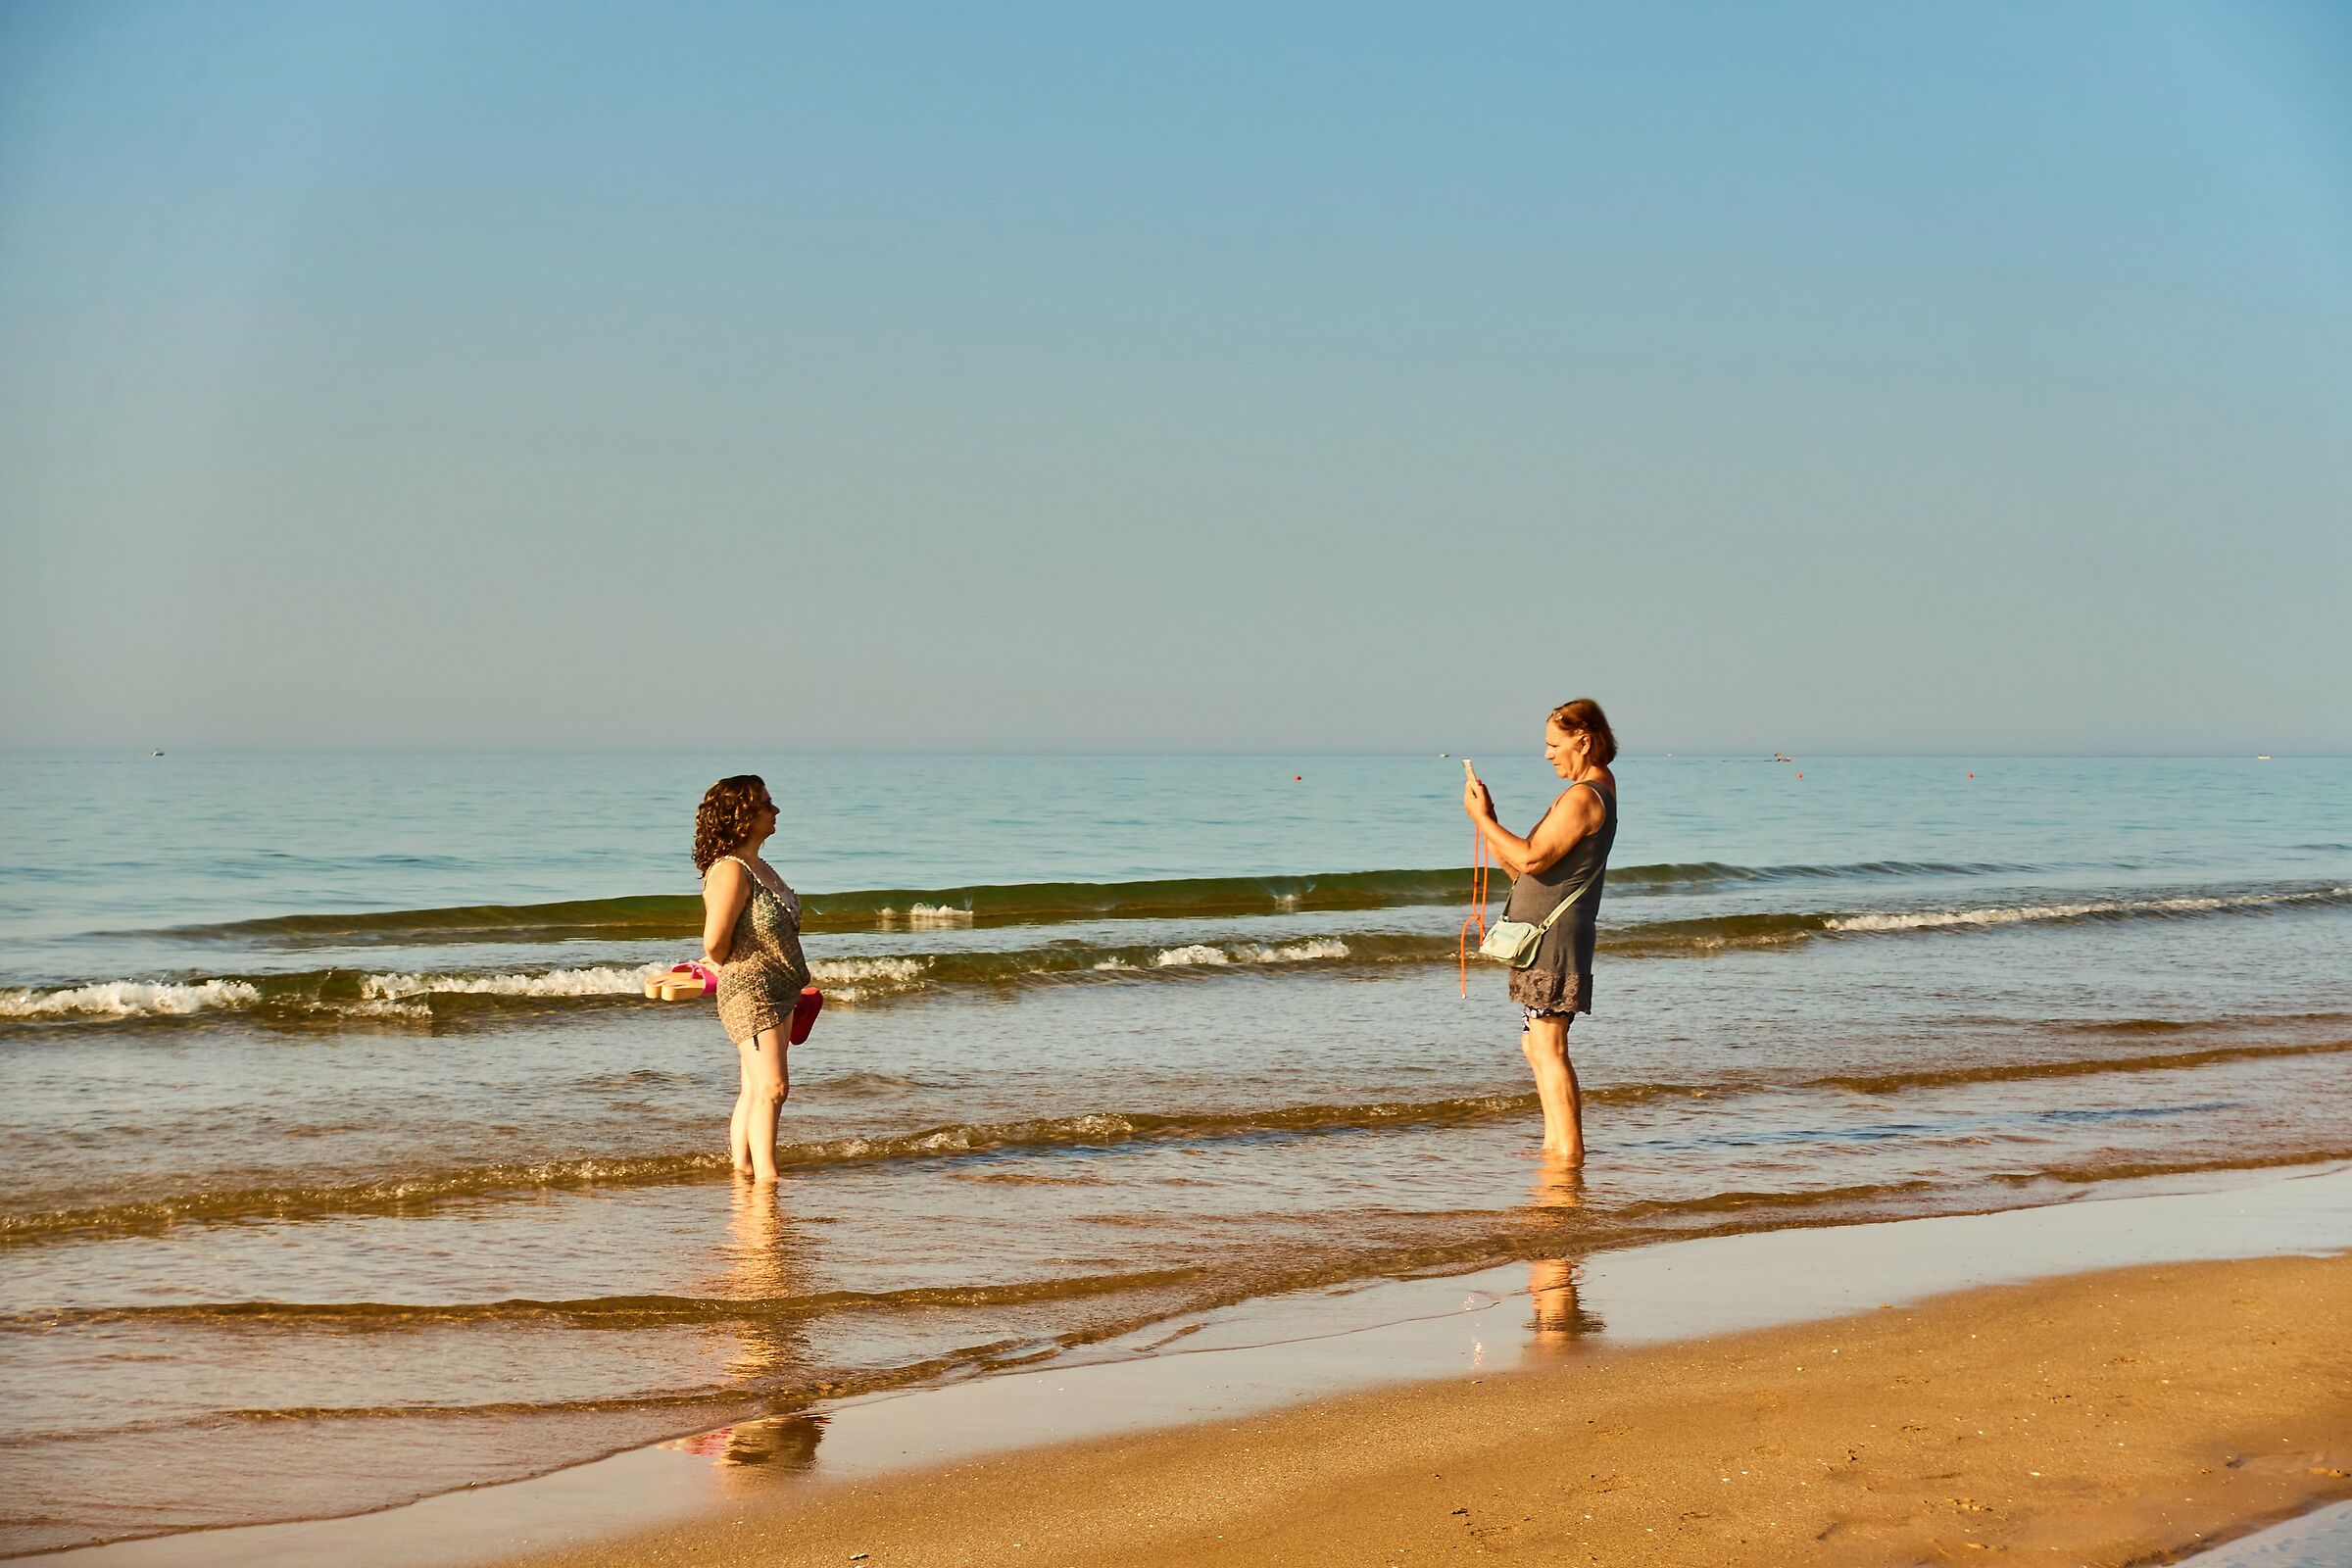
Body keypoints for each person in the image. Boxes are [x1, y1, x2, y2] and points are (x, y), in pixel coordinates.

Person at [1462, 699, 1620, 1166]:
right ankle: (1556, 1144)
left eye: (1554, 744)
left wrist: (1482, 821)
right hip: (1544, 938)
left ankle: (1567, 1152)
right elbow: (1524, 869)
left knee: (1547, 1045)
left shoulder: (1584, 797)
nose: (1548, 754)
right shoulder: (1586, 792)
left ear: (1584, 741)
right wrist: (1489, 821)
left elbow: (1531, 859)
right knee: (1535, 1043)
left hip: (1552, 940)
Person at [694, 775, 812, 1181]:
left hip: (781, 989)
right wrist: (731, 968)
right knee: (774, 1087)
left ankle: (743, 1173)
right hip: (752, 991)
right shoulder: (730, 870)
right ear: (742, 816)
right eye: (766, 804)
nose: (775, 810)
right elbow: (714, 942)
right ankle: (767, 1178)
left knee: (755, 1089)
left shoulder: (758, 866)